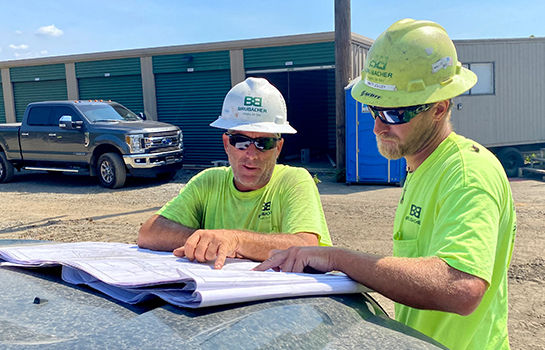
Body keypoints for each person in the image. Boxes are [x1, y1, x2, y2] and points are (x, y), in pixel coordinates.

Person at [255, 19, 516, 350]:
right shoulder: (422, 168)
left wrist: (338, 258)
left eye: (394, 114)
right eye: (373, 108)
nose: (377, 127)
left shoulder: (467, 172)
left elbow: (461, 287)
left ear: (439, 108)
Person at [138, 77, 332, 270]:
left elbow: (307, 246)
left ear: (278, 148)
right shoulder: (208, 182)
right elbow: (149, 232)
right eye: (240, 141)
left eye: (264, 143)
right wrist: (209, 240)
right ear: (226, 144)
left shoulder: (294, 181)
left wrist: (235, 240)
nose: (251, 154)